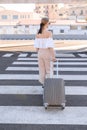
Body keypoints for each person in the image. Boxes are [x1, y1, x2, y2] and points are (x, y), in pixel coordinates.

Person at [34, 17, 56, 86]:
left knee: (42, 70)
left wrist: (39, 52)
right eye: (49, 23)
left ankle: (43, 84)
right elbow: (50, 47)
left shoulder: (38, 33)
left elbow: (36, 47)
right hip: (47, 53)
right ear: (47, 23)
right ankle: (49, 85)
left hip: (40, 53)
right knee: (49, 69)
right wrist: (53, 56)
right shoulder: (49, 33)